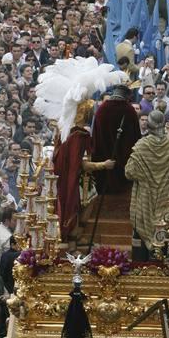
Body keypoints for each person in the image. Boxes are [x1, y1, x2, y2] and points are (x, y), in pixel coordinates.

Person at [52, 99, 115, 244]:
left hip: (70, 179)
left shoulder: (69, 133)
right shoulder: (80, 136)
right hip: (80, 180)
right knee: (89, 200)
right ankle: (75, 235)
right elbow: (84, 165)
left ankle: (75, 236)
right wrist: (104, 165)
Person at [125, 110, 169, 259]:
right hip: (164, 198)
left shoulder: (142, 145)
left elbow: (129, 172)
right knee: (162, 233)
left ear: (148, 125)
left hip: (144, 199)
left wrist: (145, 176)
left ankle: (140, 272)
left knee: (141, 240)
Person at [91, 85, 141, 194]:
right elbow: (136, 138)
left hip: (102, 161)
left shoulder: (102, 109)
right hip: (123, 164)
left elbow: (95, 135)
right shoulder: (129, 110)